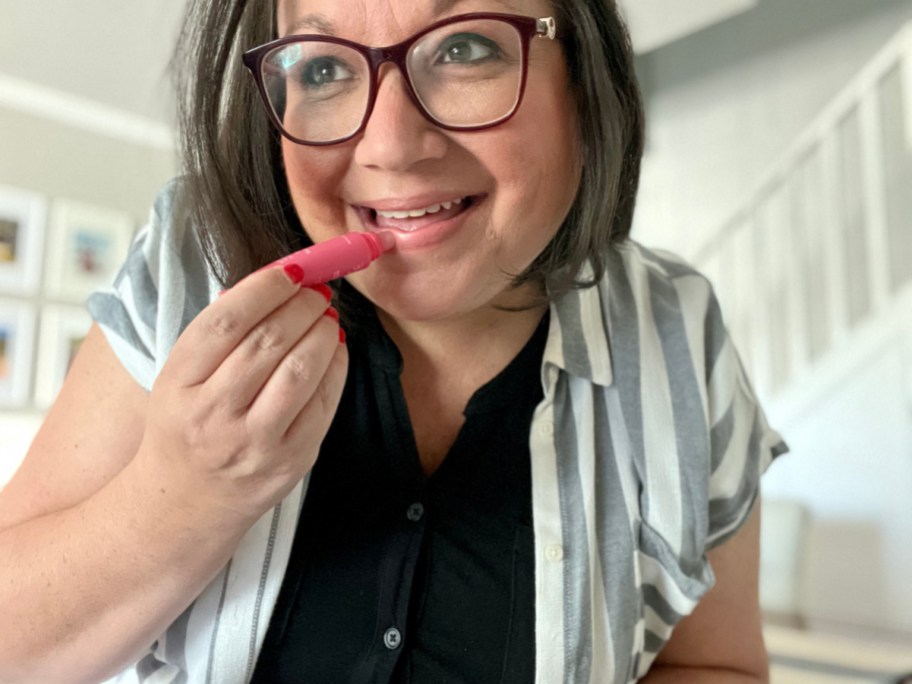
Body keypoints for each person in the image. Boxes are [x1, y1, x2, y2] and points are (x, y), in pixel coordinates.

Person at [0, 0, 787, 682]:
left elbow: (713, 663)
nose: (390, 146)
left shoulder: (678, 332)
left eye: (465, 48)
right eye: (322, 68)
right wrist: (183, 499)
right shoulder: (195, 266)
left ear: (583, 75)